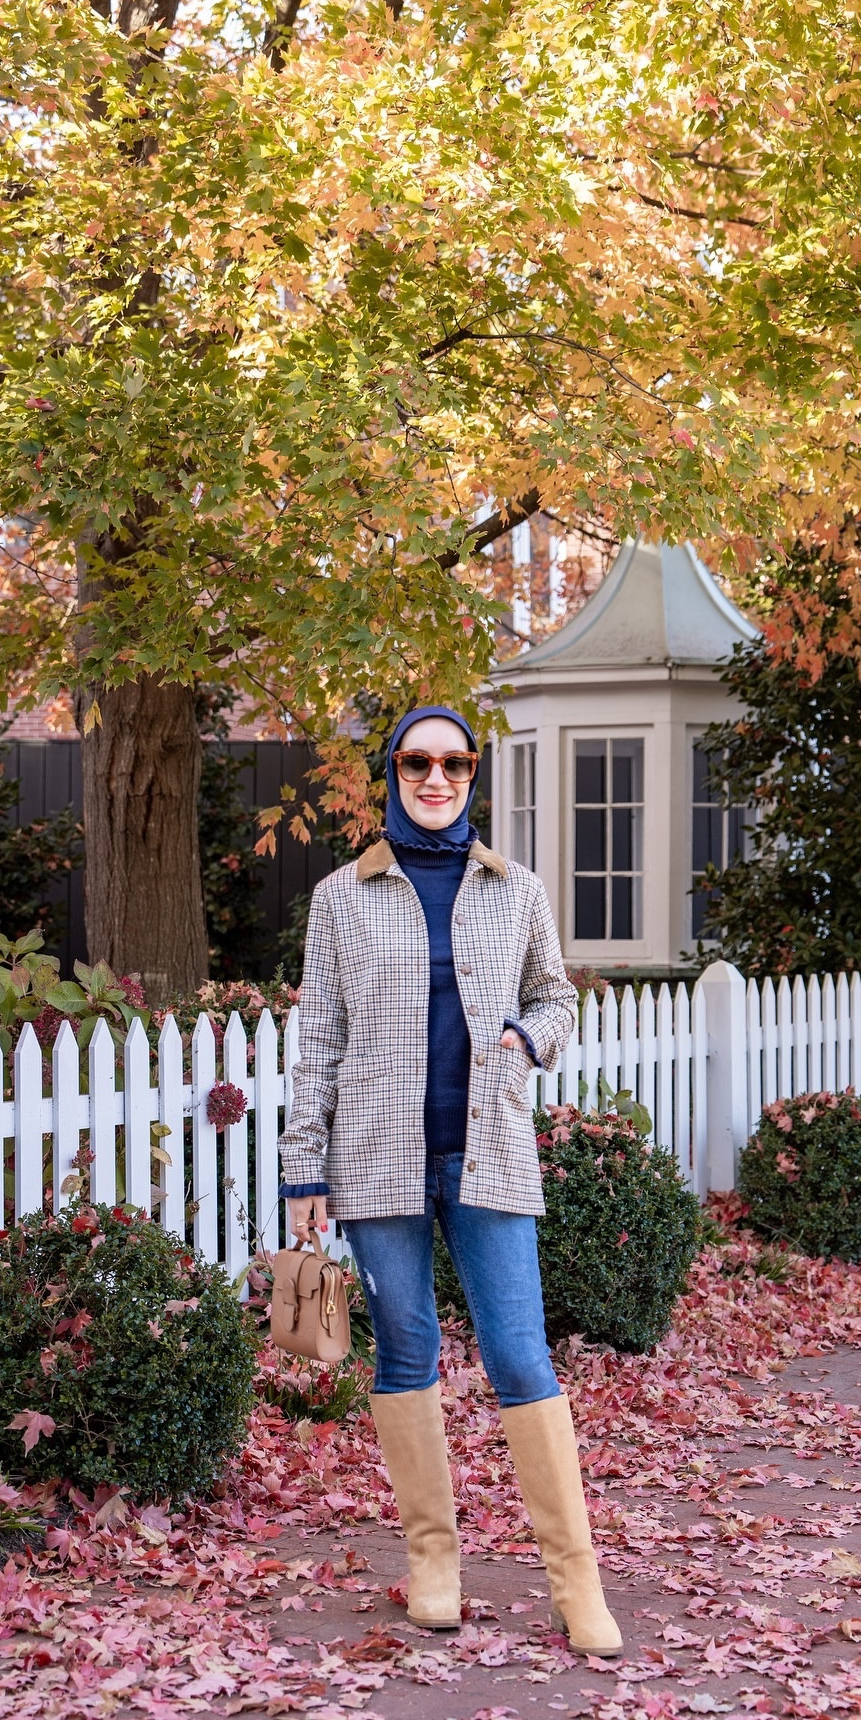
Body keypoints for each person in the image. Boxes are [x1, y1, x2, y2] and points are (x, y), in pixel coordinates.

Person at [278, 705, 623, 1658]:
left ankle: (575, 1581)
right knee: (405, 1352)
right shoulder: (342, 897)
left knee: (520, 1356)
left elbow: (556, 996)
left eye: (455, 763)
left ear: (474, 775)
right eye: (418, 762)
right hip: (376, 1159)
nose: (437, 778)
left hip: (492, 1152)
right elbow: (322, 1043)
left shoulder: (516, 890)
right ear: (391, 770)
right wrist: (303, 1165)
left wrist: (523, 1039)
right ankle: (434, 1564)